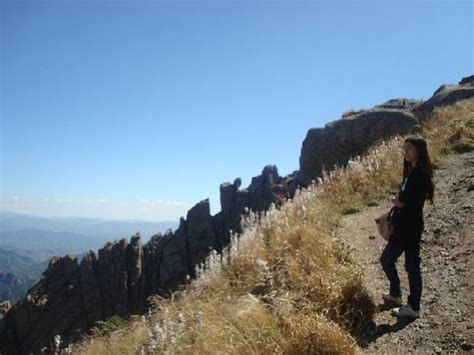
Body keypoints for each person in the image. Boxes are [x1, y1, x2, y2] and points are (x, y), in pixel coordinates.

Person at [379, 136, 435, 318]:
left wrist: (398, 201)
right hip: (407, 225)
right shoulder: (413, 171)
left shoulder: (419, 174)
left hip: (409, 227)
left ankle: (412, 306)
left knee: (406, 265)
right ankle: (397, 295)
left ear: (419, 150)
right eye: (405, 149)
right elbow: (407, 196)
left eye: (409, 148)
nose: (406, 152)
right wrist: (399, 200)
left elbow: (411, 202)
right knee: (399, 262)